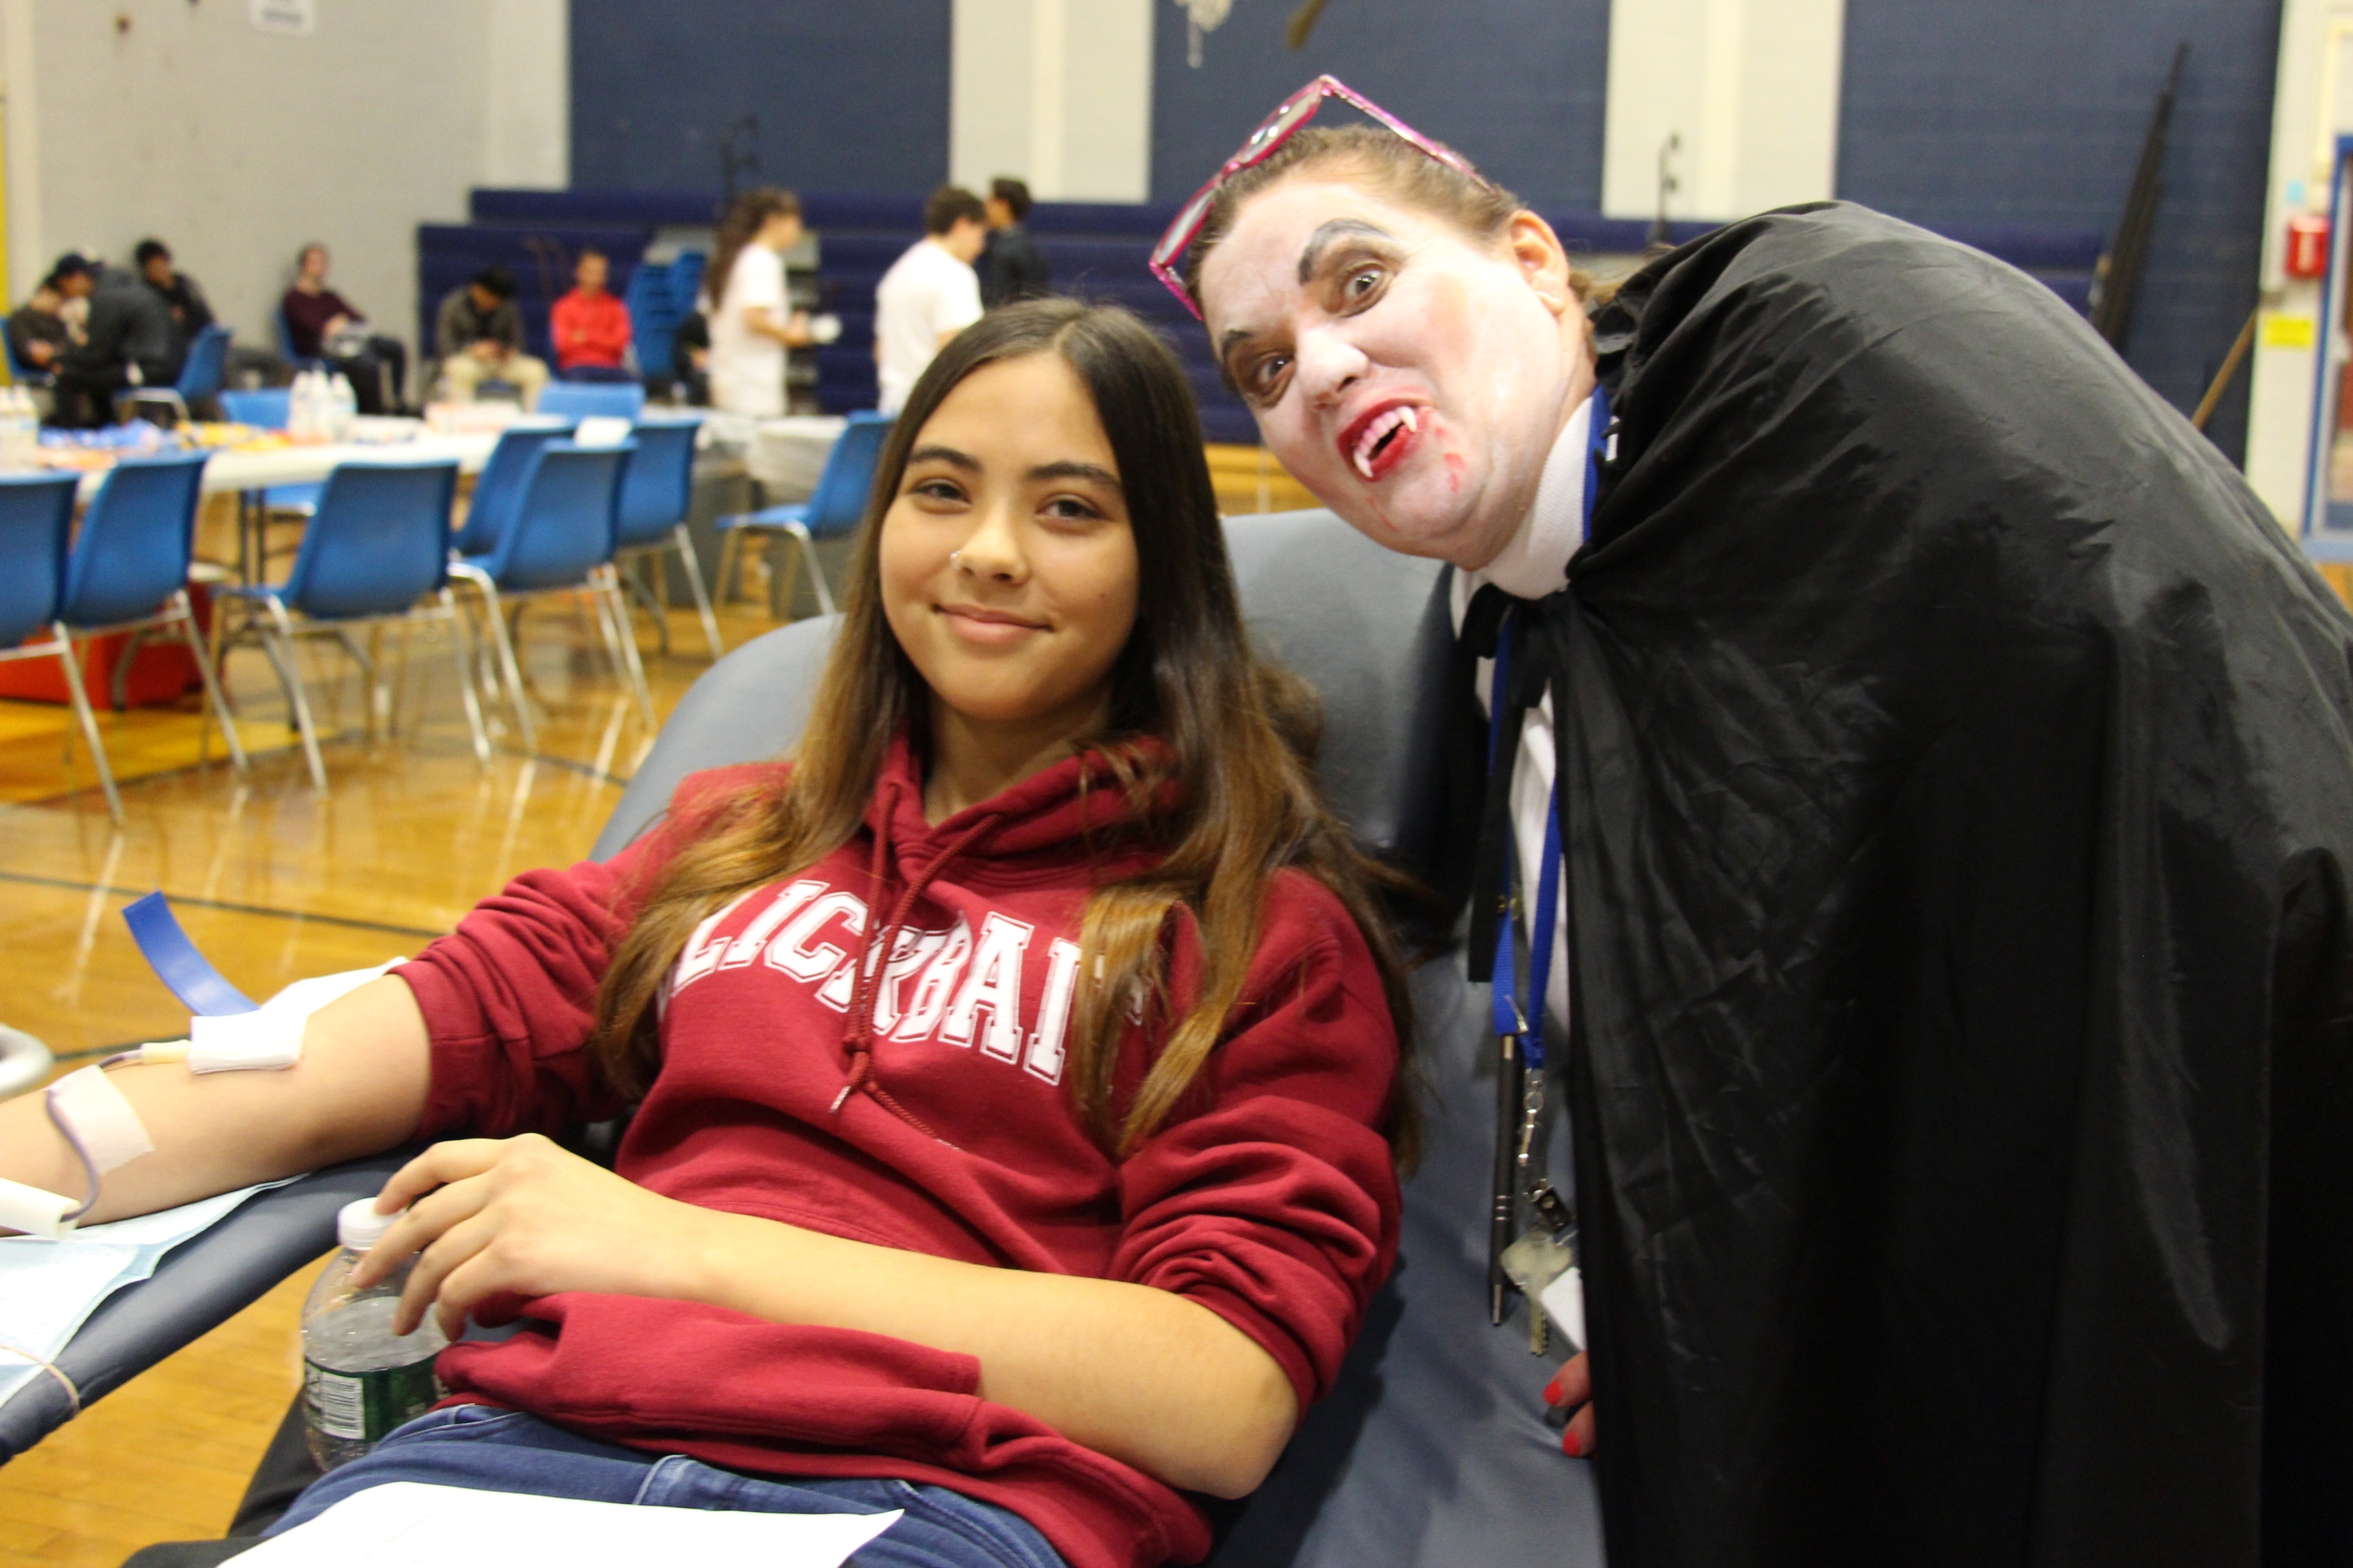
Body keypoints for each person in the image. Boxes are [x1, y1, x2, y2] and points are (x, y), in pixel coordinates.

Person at [1171, 79, 2353, 1564]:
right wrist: (1666, 1308)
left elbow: (2166, 784)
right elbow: (1664, 1064)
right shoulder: (1510, 660)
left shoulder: (1812, 344)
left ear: (1532, 259)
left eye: (1360, 281)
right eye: (1261, 368)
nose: (1322, 369)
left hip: (2305, 1201)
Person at [36, 299, 1410, 1568]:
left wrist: (662, 1246)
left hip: (935, 1504)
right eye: (942, 491)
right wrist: (51, 1149)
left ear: (1158, 566)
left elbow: (1224, 1394)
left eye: (1069, 508)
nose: (989, 550)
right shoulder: (727, 846)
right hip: (515, 1460)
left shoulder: (1245, 931)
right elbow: (340, 1056)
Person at [702, 187, 819, 418]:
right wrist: (792, 334)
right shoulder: (762, 262)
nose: (799, 230)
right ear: (774, 221)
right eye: (795, 221)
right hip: (753, 388)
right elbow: (754, 318)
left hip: (732, 383)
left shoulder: (737, 259)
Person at [876, 186, 987, 413]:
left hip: (892, 402)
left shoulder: (898, 272)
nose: (981, 247)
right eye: (980, 235)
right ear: (962, 225)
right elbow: (956, 351)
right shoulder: (955, 275)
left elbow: (881, 349)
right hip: (932, 406)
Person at [281, 244, 409, 413]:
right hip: (320, 348)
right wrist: (331, 326)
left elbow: (358, 319)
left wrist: (340, 323)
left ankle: (398, 403)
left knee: (394, 347)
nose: (320, 267)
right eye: (315, 263)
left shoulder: (330, 296)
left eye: (323, 263)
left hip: (349, 340)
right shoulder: (294, 299)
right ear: (303, 267)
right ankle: (373, 412)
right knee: (369, 363)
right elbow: (314, 327)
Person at [49, 253, 169, 427]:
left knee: (67, 377)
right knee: (96, 375)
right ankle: (105, 426)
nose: (66, 294)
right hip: (162, 362)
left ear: (76, 278)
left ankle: (71, 435)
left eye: (64, 287)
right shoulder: (122, 285)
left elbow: (97, 353)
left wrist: (59, 357)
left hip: (146, 369)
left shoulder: (105, 298)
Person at [432, 266, 549, 410]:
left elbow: (518, 342)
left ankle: (532, 420)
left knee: (536, 371)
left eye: (497, 300)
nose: (493, 303)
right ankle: (464, 420)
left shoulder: (507, 307)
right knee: (457, 371)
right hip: (469, 361)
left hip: (502, 362)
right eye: (490, 298)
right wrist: (472, 350)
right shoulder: (453, 305)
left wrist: (504, 351)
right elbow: (445, 346)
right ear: (477, 289)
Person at [550, 247, 635, 381]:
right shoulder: (564, 307)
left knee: (635, 384)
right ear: (579, 272)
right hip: (576, 367)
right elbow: (563, 345)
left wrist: (586, 336)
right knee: (578, 382)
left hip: (611, 367)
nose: (595, 277)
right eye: (590, 272)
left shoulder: (617, 307)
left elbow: (620, 343)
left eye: (600, 272)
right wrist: (605, 339)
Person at [133, 239, 215, 368]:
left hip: (203, 344)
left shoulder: (184, 285)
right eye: (152, 267)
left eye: (161, 264)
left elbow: (207, 320)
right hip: (178, 353)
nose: (159, 270)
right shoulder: (147, 295)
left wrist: (186, 319)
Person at [979, 177, 1052, 309]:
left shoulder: (1004, 251)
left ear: (1003, 206)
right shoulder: (1028, 246)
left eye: (990, 202)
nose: (985, 207)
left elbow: (998, 303)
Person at [6, 258, 79, 379]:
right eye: (61, 300)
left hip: (63, 367)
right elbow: (30, 354)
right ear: (46, 291)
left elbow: (69, 347)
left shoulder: (57, 321)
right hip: (41, 371)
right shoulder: (21, 318)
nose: (60, 306)